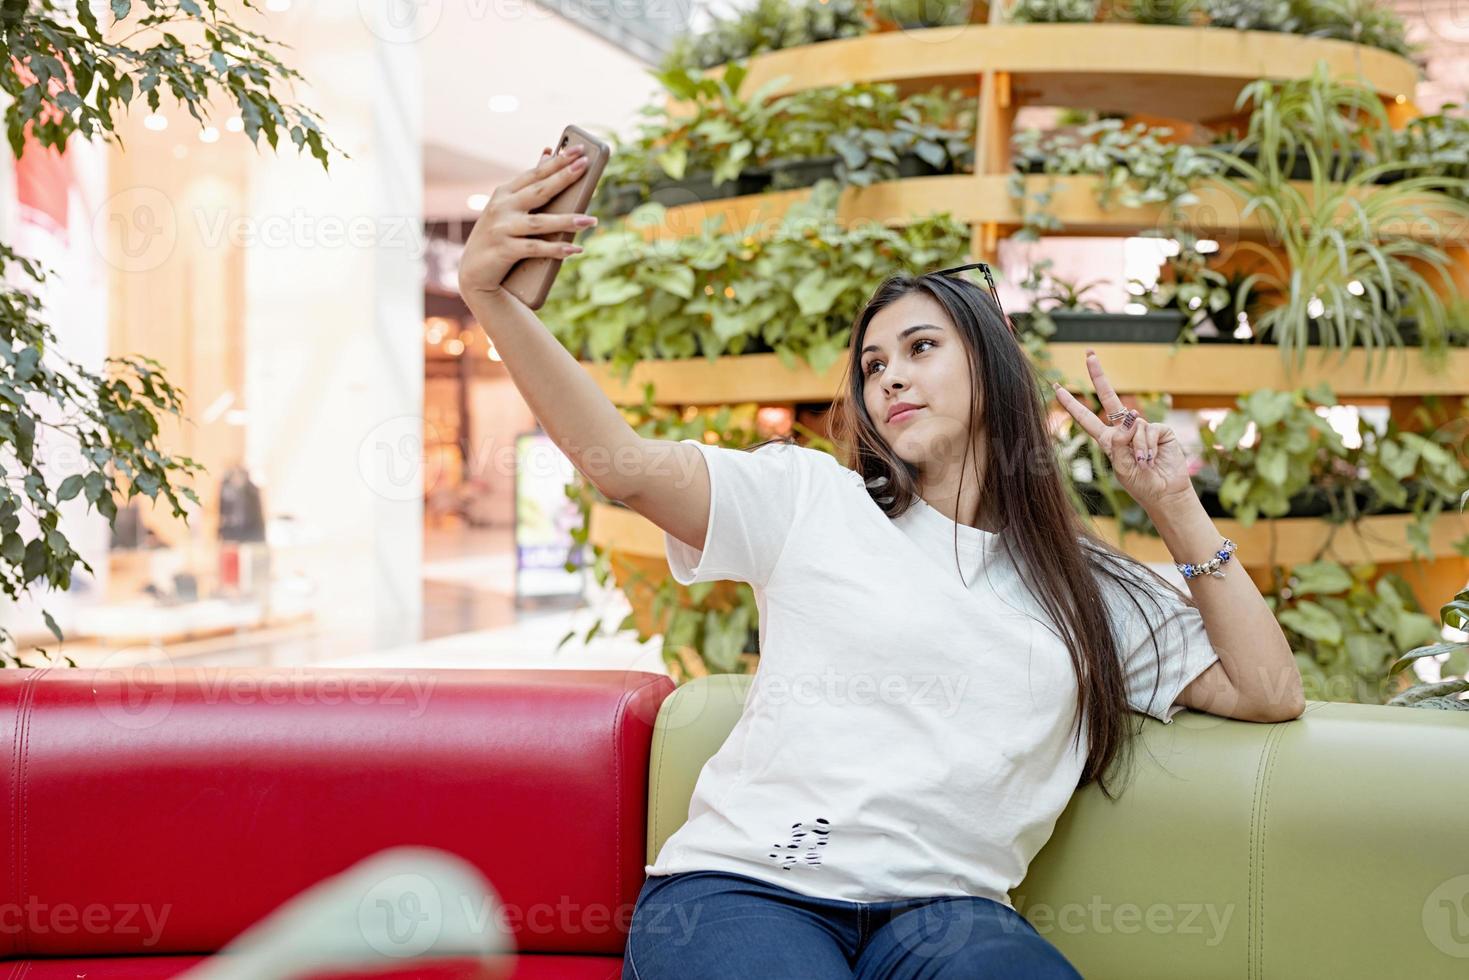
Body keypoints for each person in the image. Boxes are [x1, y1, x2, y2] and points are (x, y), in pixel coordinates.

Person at [456, 144, 1306, 979]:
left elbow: (1268, 691)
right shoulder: (807, 501)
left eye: (920, 349)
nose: (889, 378)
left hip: (950, 913)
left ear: (993, 362)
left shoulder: (1088, 589)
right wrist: (493, 302)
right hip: (748, 887)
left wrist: (1171, 503)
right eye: (872, 365)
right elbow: (621, 465)